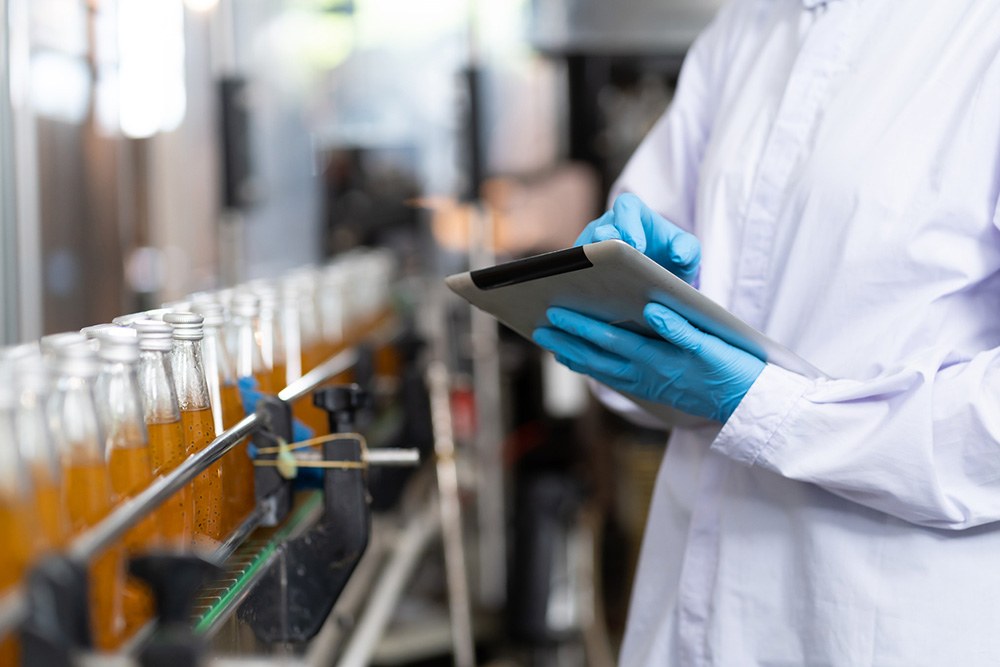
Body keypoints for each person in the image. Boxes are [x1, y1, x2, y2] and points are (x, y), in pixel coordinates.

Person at [531, 1, 1000, 665]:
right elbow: (659, 279)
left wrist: (773, 411)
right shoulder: (746, 27)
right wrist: (631, 293)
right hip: (688, 618)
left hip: (882, 629)